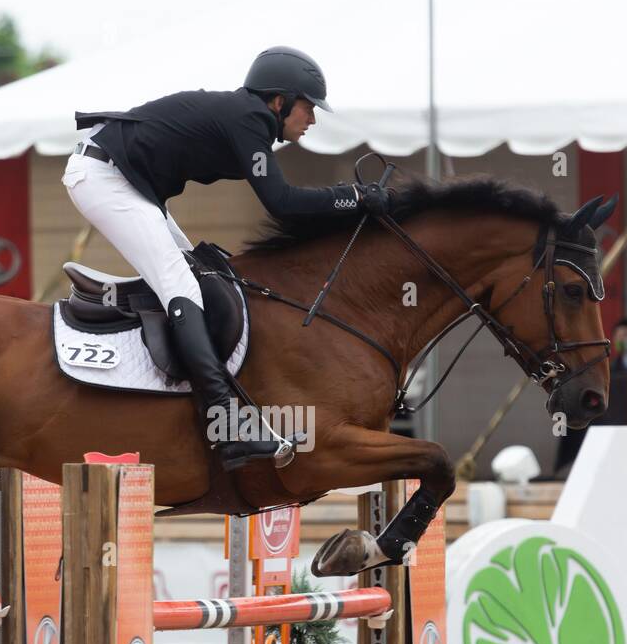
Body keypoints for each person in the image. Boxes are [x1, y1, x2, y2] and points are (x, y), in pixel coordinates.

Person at [64, 46, 390, 471]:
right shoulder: (249, 120)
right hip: (103, 177)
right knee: (180, 284)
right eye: (308, 107)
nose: (312, 118)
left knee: (199, 276)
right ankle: (227, 421)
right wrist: (356, 197)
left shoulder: (248, 120)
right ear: (279, 101)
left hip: (128, 183)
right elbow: (283, 203)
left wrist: (352, 202)